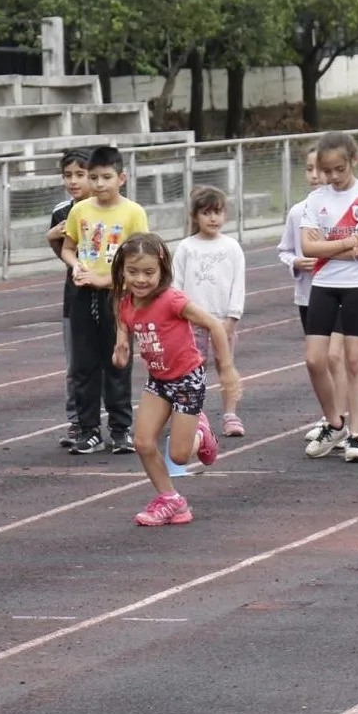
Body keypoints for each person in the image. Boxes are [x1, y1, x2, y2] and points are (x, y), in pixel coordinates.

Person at [111, 232, 235, 526]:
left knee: (179, 456)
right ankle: (172, 500)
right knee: (142, 442)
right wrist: (121, 348)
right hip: (158, 380)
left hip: (186, 379)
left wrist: (226, 367)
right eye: (133, 272)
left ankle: (202, 433)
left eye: (149, 273)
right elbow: (123, 332)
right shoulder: (125, 303)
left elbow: (214, 325)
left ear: (162, 271)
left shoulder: (172, 300)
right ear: (122, 271)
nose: (141, 279)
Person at [300, 131, 358, 463]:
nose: (333, 177)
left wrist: (330, 247)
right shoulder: (315, 199)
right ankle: (334, 422)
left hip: (357, 286)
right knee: (313, 360)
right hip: (323, 283)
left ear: (354, 160)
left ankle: (356, 435)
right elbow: (308, 247)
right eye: (327, 170)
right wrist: (350, 244)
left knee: (353, 361)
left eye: (339, 169)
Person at [60, 145, 148, 456]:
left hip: (118, 296)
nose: (99, 184)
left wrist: (105, 280)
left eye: (106, 177)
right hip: (83, 295)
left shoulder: (133, 213)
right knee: (83, 364)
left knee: (118, 361)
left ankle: (120, 429)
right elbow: (68, 247)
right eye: (94, 178)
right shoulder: (80, 211)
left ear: (121, 178)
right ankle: (88, 429)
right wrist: (77, 266)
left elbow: (140, 260)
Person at [281, 146, 349, 449]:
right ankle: (331, 416)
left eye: (320, 169)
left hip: (340, 292)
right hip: (308, 295)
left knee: (335, 357)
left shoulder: (345, 207)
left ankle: (341, 421)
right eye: (309, 169)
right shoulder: (298, 212)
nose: (315, 176)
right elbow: (285, 250)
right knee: (318, 361)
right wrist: (296, 262)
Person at [172, 185, 247, 436]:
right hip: (193, 321)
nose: (213, 218)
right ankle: (197, 413)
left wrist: (233, 316)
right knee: (195, 368)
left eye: (217, 212)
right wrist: (182, 315)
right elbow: (176, 286)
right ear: (195, 216)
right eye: (206, 213)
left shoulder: (232, 247)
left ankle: (230, 413)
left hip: (223, 320)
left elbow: (238, 283)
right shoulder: (186, 247)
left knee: (226, 365)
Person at [48, 148, 92, 447]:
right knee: (75, 364)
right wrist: (54, 239)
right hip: (75, 295)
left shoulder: (112, 208)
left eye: (80, 174)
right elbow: (65, 256)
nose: (73, 181)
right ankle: (78, 422)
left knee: (113, 362)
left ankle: (119, 423)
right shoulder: (62, 212)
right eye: (68, 175)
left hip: (110, 295)